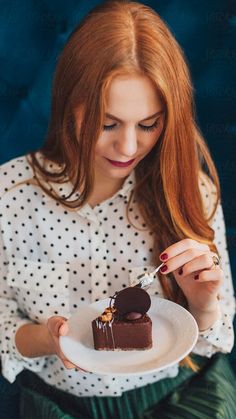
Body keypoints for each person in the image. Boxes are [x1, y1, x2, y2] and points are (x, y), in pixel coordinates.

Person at [0, 1, 235, 418]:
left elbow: (218, 335)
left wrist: (202, 305)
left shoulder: (191, 190)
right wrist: (47, 338)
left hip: (178, 397)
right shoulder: (10, 195)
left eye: (149, 124)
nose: (128, 148)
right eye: (107, 123)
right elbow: (3, 327)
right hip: (59, 404)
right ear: (69, 101)